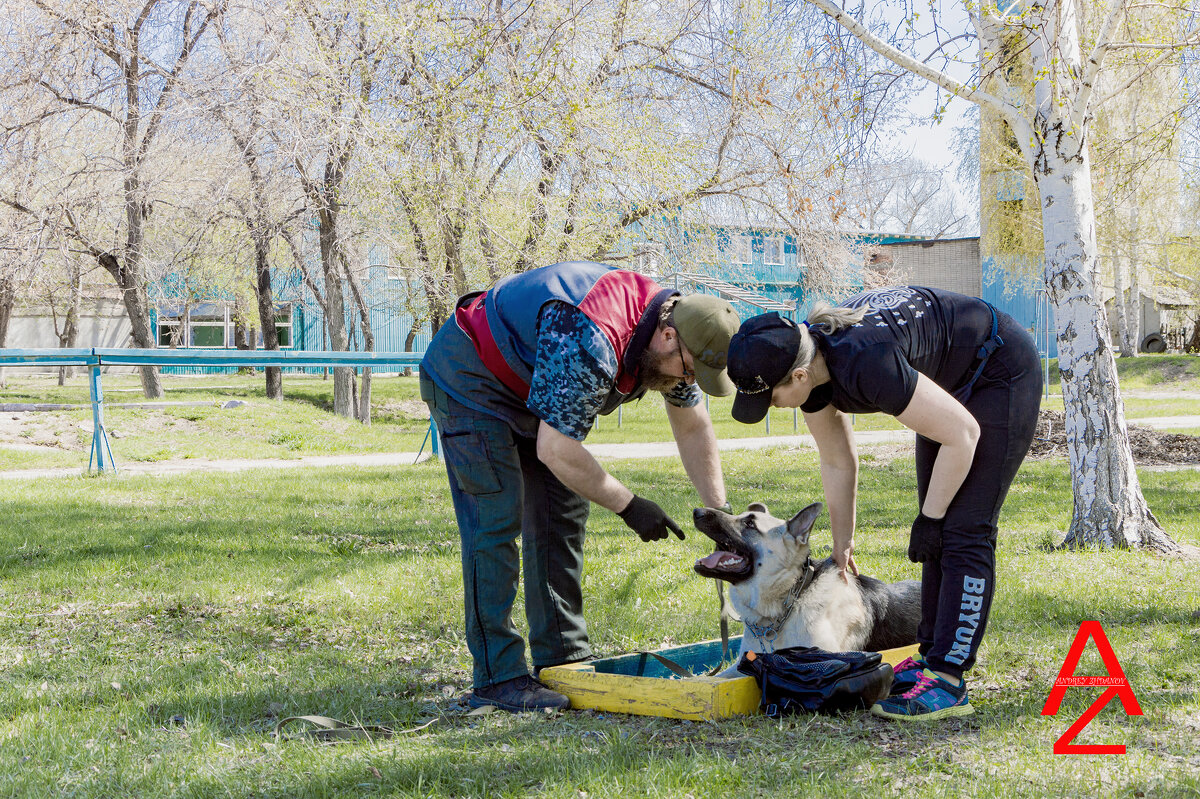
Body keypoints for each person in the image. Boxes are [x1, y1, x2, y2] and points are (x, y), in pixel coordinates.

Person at [420, 260, 740, 713]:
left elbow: (692, 426)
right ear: (668, 337)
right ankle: (497, 679)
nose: (686, 383)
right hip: (470, 380)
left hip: (532, 384)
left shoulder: (679, 331)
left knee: (562, 513)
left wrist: (719, 511)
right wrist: (630, 506)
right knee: (495, 521)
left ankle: (562, 659)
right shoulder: (593, 335)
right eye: (687, 372)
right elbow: (557, 450)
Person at [725, 286, 1041, 722]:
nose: (772, 407)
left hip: (998, 371)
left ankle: (947, 681)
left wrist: (929, 519)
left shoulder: (865, 362)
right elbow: (837, 460)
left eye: (770, 397)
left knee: (963, 528)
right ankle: (931, 658)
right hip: (951, 383)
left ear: (796, 377)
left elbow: (963, 434)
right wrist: (843, 543)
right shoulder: (810, 362)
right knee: (939, 531)